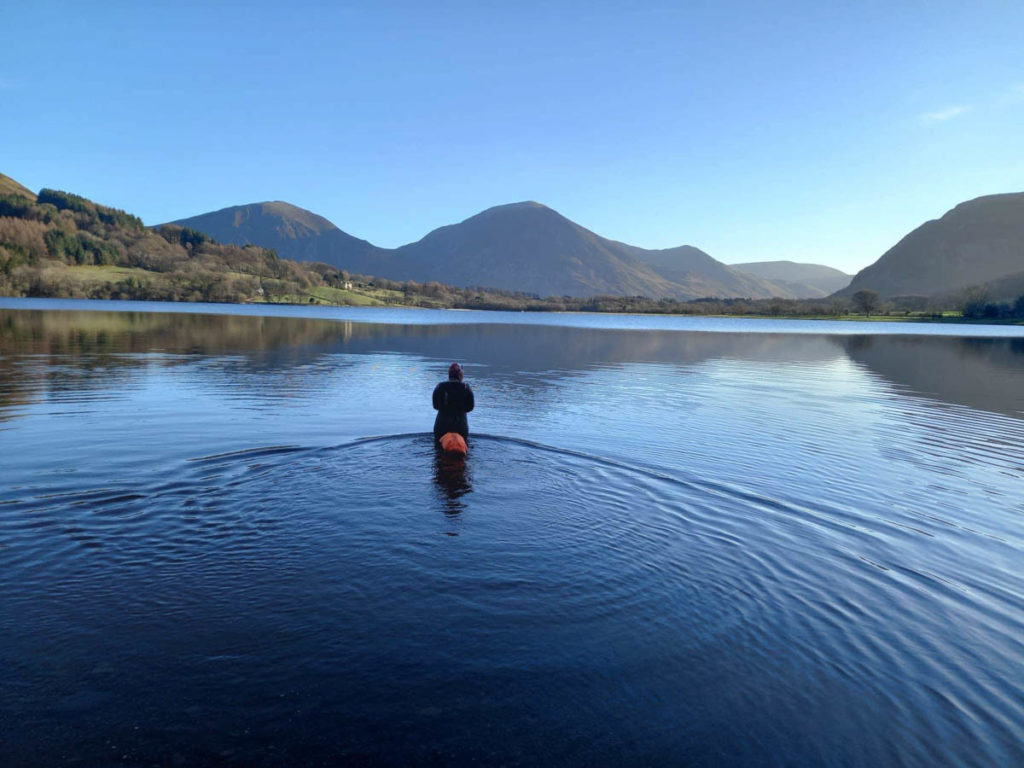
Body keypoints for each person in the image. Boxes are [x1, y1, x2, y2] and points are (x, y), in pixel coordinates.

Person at [432, 362, 474, 441]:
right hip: (460, 426)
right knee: (461, 450)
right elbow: (470, 408)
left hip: (441, 425)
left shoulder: (440, 386)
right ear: (460, 375)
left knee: (438, 450)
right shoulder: (466, 388)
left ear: (449, 374)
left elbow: (435, 406)